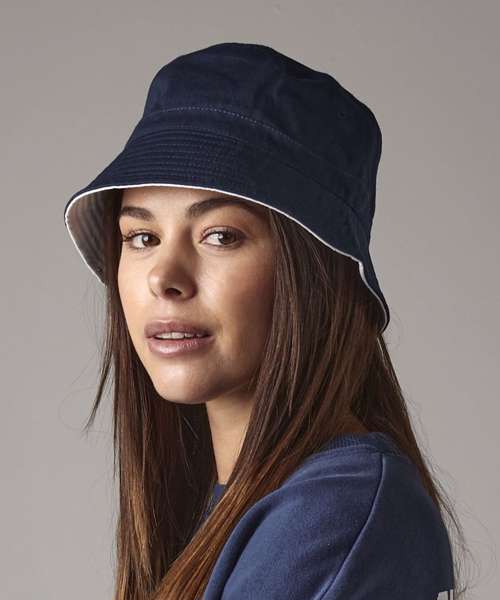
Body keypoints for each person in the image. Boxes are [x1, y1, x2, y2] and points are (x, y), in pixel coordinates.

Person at [63, 43, 466, 599]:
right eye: (142, 237)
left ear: (311, 271)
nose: (164, 277)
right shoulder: (238, 507)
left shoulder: (333, 514)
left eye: (220, 236)